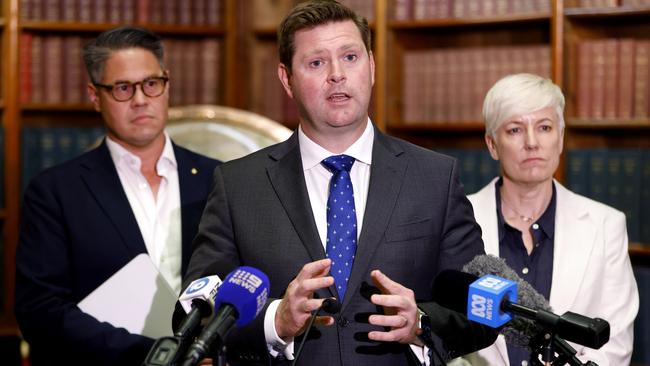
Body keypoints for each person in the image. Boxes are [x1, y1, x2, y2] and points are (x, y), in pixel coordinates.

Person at [178, 1, 496, 365]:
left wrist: (421, 325)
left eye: (350, 57)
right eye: (316, 63)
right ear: (287, 79)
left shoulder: (435, 177)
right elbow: (195, 319)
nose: (337, 75)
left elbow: (485, 311)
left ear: (372, 66)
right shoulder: (238, 186)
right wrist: (275, 322)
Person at [15, 26, 220, 365]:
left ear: (167, 85)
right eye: (123, 88)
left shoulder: (219, 179)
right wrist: (153, 354)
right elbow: (40, 311)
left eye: (151, 84)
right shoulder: (54, 192)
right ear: (95, 96)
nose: (140, 100)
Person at [462, 73, 639, 365]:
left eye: (544, 127)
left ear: (560, 138)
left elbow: (615, 344)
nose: (532, 142)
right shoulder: (459, 219)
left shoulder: (607, 225)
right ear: (492, 144)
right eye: (515, 130)